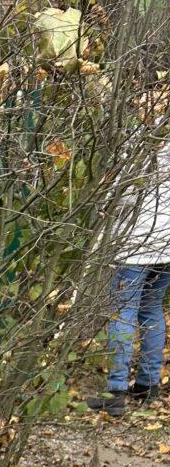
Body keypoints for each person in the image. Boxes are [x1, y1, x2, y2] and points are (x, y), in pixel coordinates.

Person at [94, 139, 170, 417]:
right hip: (167, 243)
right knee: (151, 309)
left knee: (123, 312)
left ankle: (115, 393)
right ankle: (148, 385)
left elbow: (121, 194)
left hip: (135, 245)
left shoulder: (136, 138)